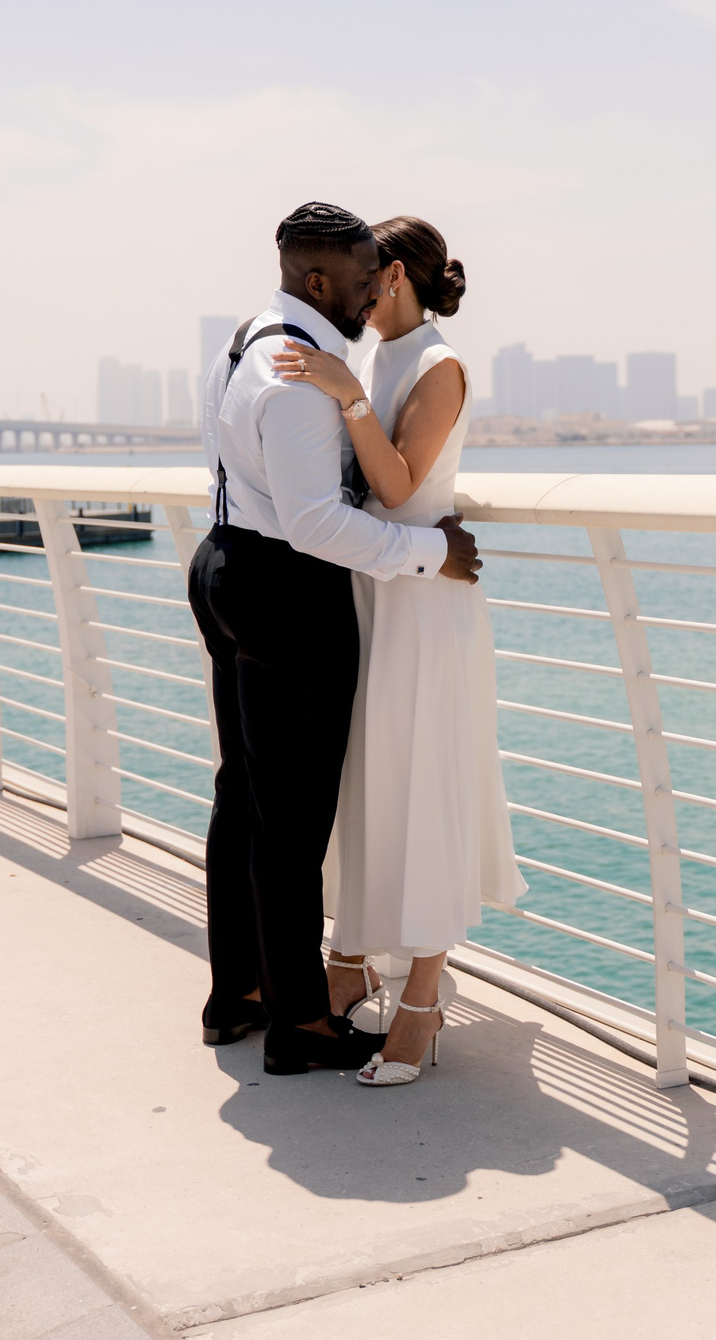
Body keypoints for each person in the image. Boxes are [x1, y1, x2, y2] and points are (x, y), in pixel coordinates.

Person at [191, 202, 484, 1076]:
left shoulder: (247, 335)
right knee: (290, 819)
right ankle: (299, 1024)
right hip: (286, 591)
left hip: (224, 563)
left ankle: (235, 994)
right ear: (321, 279)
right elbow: (319, 523)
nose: (370, 293)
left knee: (244, 794)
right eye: (360, 277)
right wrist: (433, 551)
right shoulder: (297, 373)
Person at [271, 215, 524, 1087]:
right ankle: (349, 964)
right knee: (366, 783)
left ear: (398, 278)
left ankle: (421, 996)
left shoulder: (437, 365)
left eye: (367, 275)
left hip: (425, 608)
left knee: (426, 789)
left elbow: (398, 483)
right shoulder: (376, 355)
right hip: (374, 593)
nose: (354, 289)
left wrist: (344, 394)